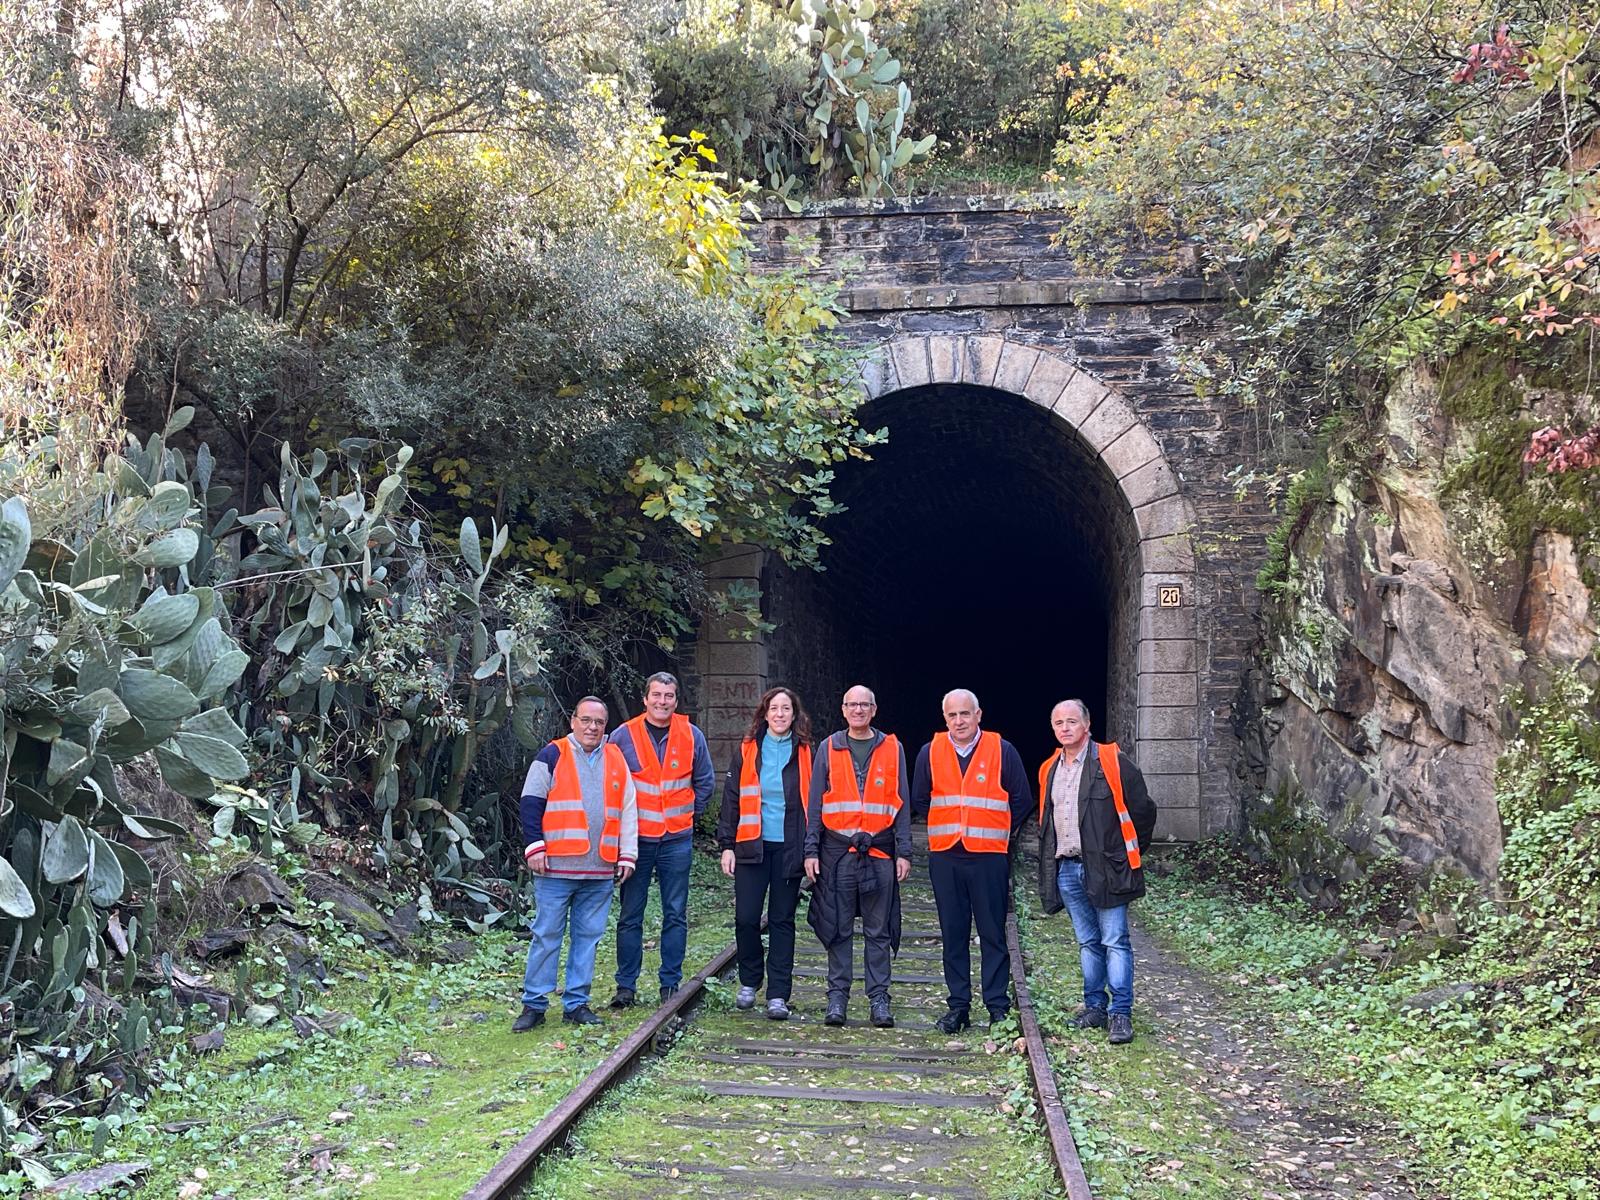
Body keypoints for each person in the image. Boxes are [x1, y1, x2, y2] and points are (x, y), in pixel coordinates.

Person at [1034, 699, 1158, 1045]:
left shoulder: (1112, 761)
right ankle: (1094, 1007)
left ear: (1086, 725)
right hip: (1068, 868)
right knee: (1088, 942)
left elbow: (1144, 811)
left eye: (1071, 721)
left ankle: (1121, 1013)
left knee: (1115, 941)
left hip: (1107, 868)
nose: (1065, 728)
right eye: (1058, 722)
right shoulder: (1049, 769)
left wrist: (1125, 853)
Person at [911, 689, 1034, 1033]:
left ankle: (996, 1005)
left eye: (965, 714)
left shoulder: (1002, 749)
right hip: (947, 856)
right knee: (953, 933)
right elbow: (921, 797)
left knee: (992, 932)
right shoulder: (929, 752)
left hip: (988, 857)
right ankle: (958, 1006)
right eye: (952, 715)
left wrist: (998, 830)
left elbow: (1022, 799)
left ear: (979, 715)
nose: (959, 721)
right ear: (944, 717)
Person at [513, 696, 638, 1031]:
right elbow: (530, 802)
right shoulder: (552, 754)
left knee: (588, 938)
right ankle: (534, 1004)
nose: (592, 727)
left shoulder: (616, 758)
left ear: (605, 726)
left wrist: (628, 854)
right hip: (554, 868)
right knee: (546, 935)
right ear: (573, 721)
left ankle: (576, 1004)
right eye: (586, 720)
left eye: (598, 722)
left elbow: (628, 809)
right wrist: (534, 846)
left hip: (599, 869)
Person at [803, 685, 911, 1028]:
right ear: (843, 709)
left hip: (879, 850)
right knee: (838, 926)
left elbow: (903, 803)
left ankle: (879, 999)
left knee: (879, 930)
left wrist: (904, 851)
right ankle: (837, 998)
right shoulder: (828, 747)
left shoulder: (893, 748)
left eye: (865, 704)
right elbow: (815, 804)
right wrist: (810, 850)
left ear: (874, 709)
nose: (859, 710)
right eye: (853, 704)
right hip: (837, 851)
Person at [608, 671, 717, 1008]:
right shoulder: (622, 736)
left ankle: (670, 984)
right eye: (656, 695)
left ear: (676, 700)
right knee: (630, 914)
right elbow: (610, 786)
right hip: (636, 841)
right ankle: (625, 987)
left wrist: (687, 816)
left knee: (675, 913)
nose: (662, 701)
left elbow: (706, 782)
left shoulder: (692, 735)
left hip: (675, 840)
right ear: (645, 698)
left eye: (668, 696)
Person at [716, 686, 814, 1021]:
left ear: (794, 714)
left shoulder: (806, 752)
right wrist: (726, 845)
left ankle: (777, 995)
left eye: (786, 708)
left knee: (782, 920)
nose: (780, 714)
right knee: (745, 918)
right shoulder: (747, 750)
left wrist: (812, 850)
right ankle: (750, 981)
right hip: (750, 845)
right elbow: (731, 798)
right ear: (765, 712)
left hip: (789, 847)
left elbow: (815, 802)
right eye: (774, 708)